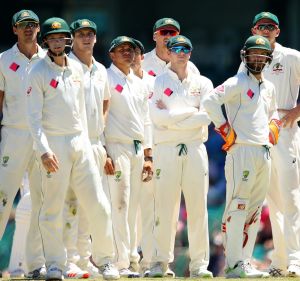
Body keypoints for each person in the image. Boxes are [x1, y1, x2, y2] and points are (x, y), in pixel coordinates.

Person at [26, 17, 119, 281]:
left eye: (62, 38)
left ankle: (105, 261)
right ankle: (55, 264)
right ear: (46, 42)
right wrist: (43, 150)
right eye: (52, 39)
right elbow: (33, 117)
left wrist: (93, 144)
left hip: (80, 142)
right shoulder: (37, 72)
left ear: (67, 41)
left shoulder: (75, 70)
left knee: (98, 203)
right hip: (53, 145)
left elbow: (82, 112)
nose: (58, 43)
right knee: (52, 208)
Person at [203, 35, 280, 278]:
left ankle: (244, 262)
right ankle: (233, 264)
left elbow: (274, 112)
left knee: (255, 209)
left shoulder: (269, 87)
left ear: (268, 58)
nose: (257, 57)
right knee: (237, 206)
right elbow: (210, 100)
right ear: (245, 56)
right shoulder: (237, 81)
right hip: (241, 151)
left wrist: (273, 127)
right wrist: (224, 128)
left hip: (263, 151)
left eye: (261, 53)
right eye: (253, 53)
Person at [148, 35, 213, 278]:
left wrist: (172, 117)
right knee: (164, 208)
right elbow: (157, 119)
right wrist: (189, 113)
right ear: (169, 52)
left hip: (195, 147)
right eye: (176, 48)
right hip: (166, 149)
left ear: (190, 52)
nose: (181, 52)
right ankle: (160, 264)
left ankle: (199, 266)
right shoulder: (158, 82)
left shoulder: (203, 83)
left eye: (185, 48)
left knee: (198, 209)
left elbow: (206, 117)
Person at [243, 11, 300, 277]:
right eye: (261, 26)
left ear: (278, 31)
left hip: (285, 130)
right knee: (272, 200)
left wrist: (296, 112)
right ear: (254, 29)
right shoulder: (247, 59)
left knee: (290, 197)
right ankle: (279, 260)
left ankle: (295, 259)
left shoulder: (291, 56)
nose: (265, 30)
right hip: (259, 134)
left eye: (270, 27)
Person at [60, 18, 111, 278]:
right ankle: (68, 258)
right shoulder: (66, 67)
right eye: (81, 34)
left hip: (95, 144)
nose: (86, 38)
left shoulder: (101, 70)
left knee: (92, 206)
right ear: (72, 38)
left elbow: (105, 104)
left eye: (90, 34)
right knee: (70, 202)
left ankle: (83, 259)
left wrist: (101, 141)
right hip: (72, 142)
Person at [0, 9, 46, 278]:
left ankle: (29, 265)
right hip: (14, 134)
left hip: (42, 136)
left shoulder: (49, 59)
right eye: (23, 25)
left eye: (32, 25)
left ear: (39, 28)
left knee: (37, 200)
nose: (28, 29)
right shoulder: (3, 60)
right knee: (4, 199)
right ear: (14, 29)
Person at [104, 36, 153, 277]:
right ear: (111, 55)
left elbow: (146, 120)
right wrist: (104, 151)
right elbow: (98, 116)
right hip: (116, 146)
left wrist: (148, 156)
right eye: (121, 49)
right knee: (119, 205)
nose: (127, 53)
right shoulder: (105, 77)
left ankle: (132, 258)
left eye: (130, 49)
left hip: (136, 148)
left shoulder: (139, 82)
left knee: (133, 207)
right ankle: (119, 262)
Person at [131, 38, 155, 277]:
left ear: (142, 56)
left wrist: (151, 154)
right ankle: (128, 259)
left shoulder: (154, 83)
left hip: (151, 152)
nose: (133, 57)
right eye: (128, 52)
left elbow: (153, 120)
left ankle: (149, 260)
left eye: (136, 52)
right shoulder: (117, 81)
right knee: (126, 207)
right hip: (125, 149)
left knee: (149, 208)